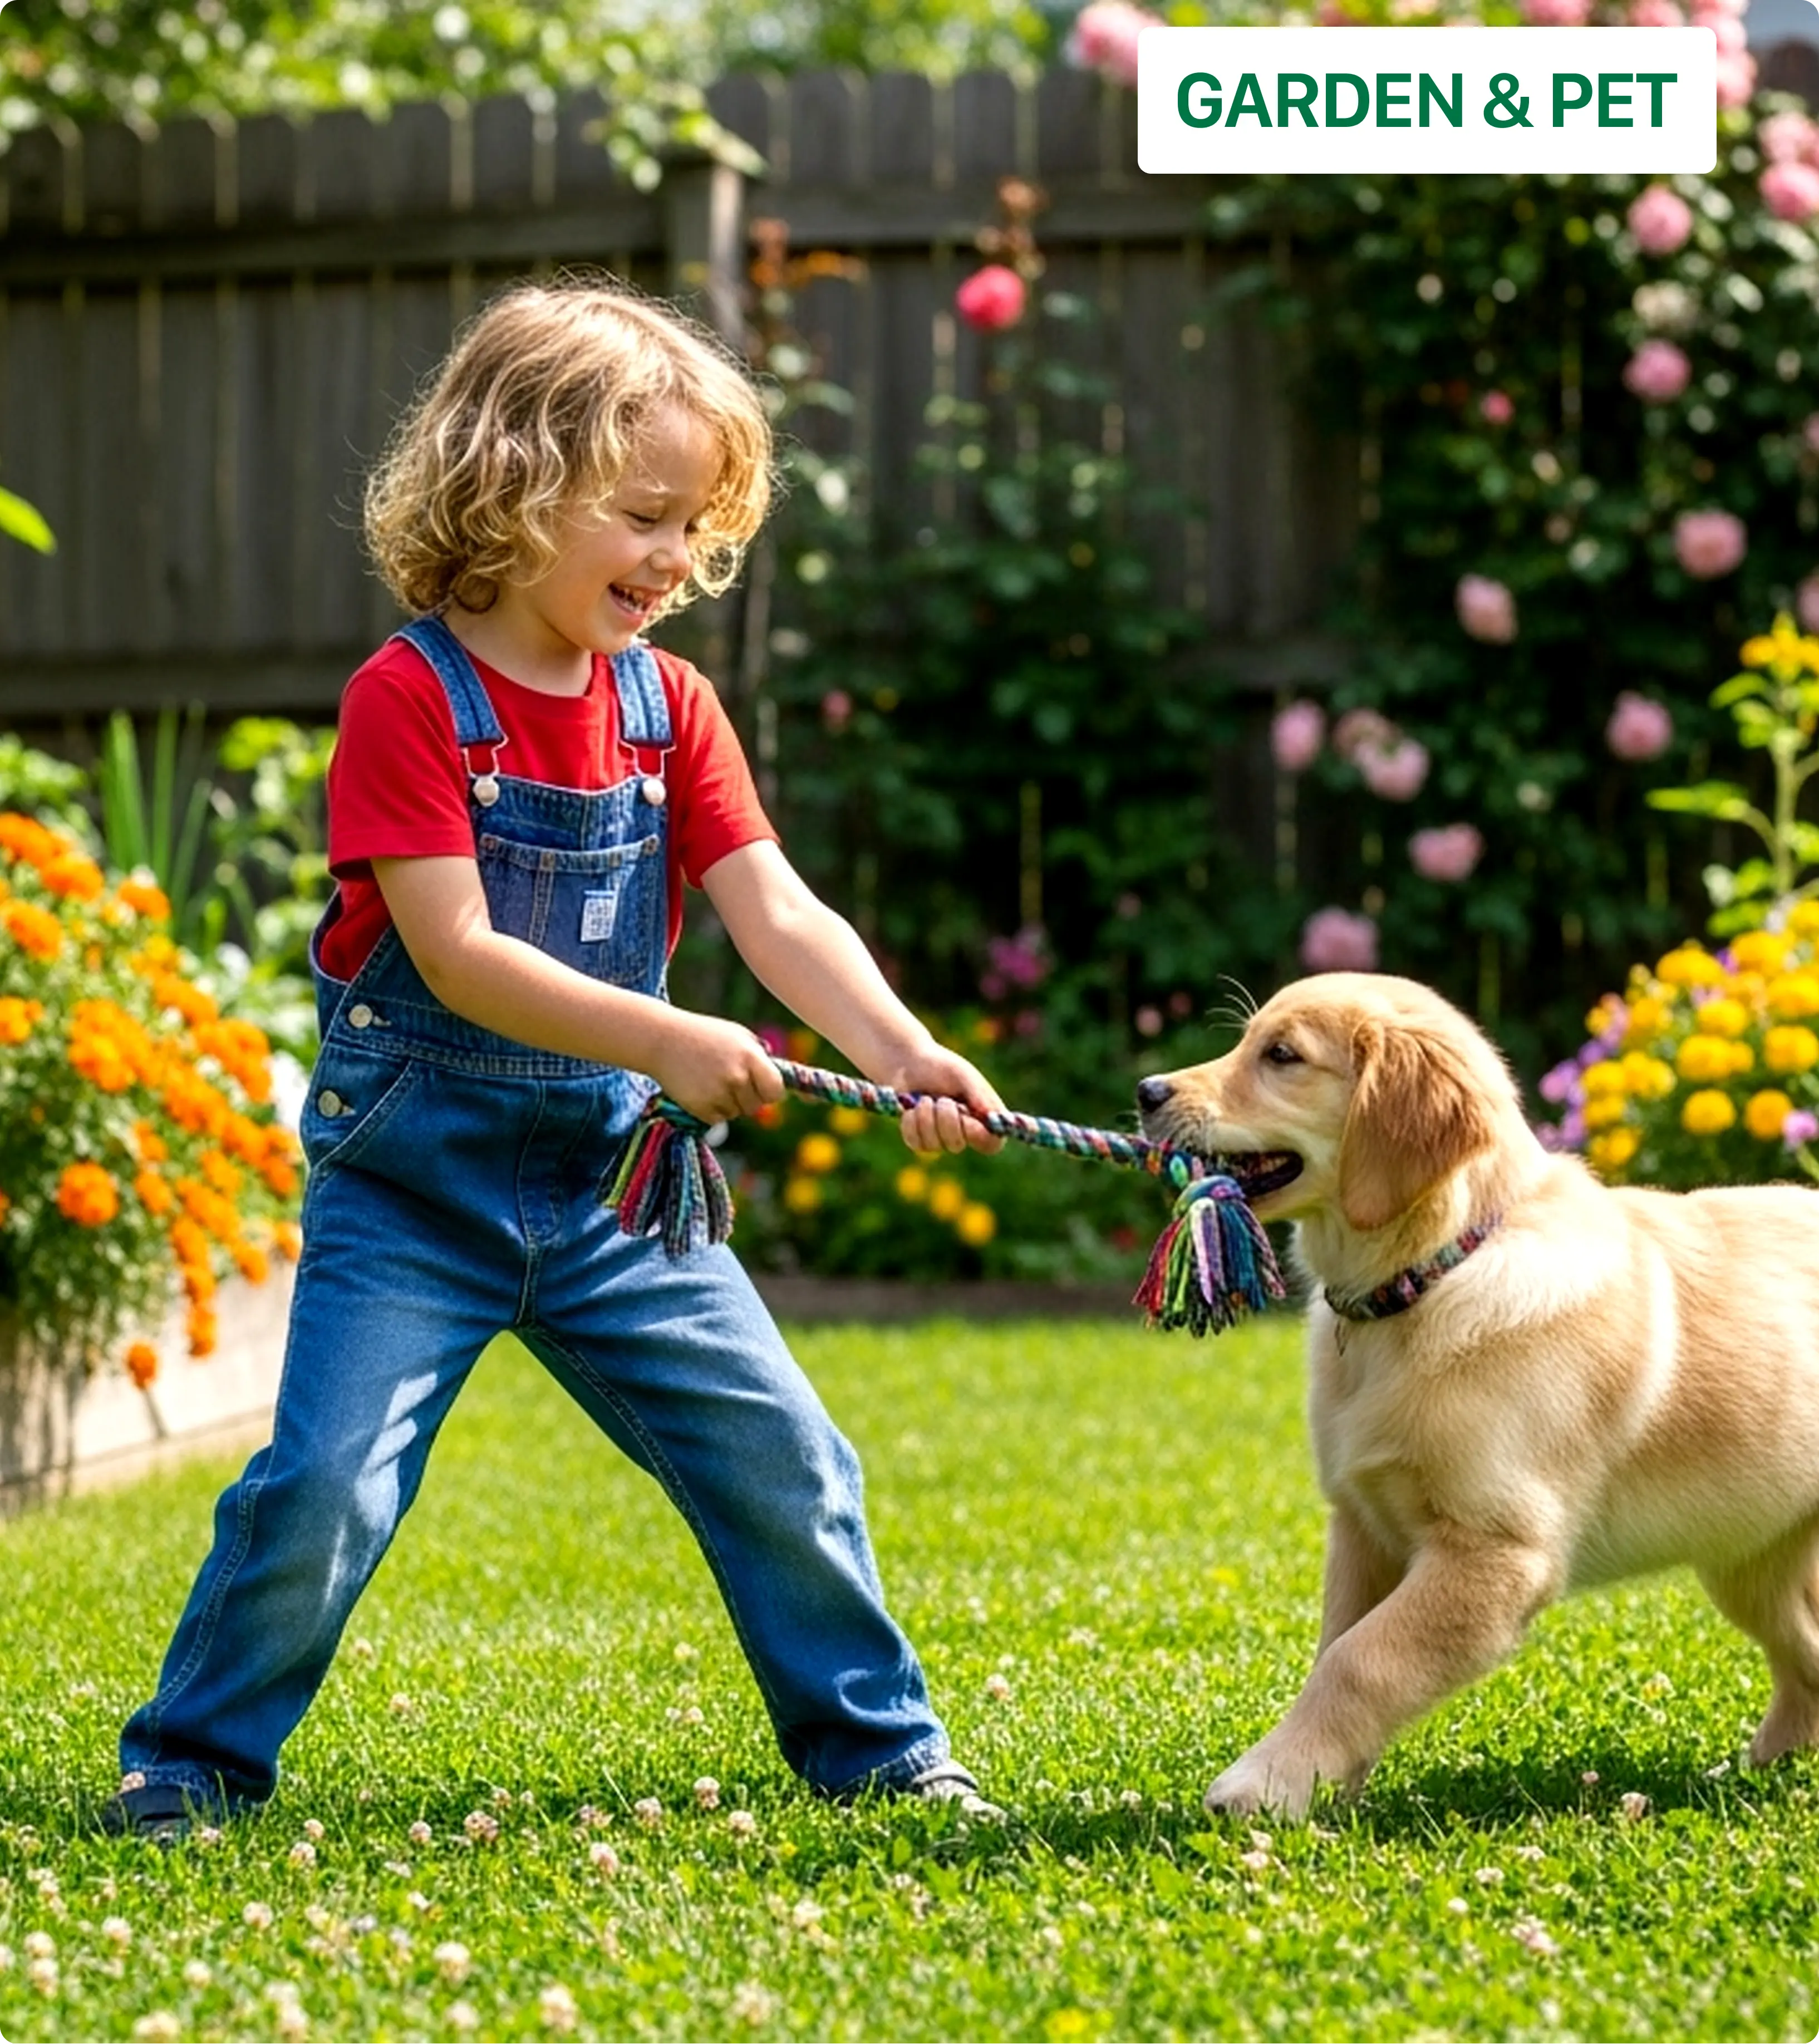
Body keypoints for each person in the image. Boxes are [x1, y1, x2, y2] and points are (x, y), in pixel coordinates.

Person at [102, 277, 1006, 1842]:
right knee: (324, 1491)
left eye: (694, 529)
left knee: (784, 1455)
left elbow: (774, 909)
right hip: (414, 1194)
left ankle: (879, 1749)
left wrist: (905, 1048)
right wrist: (671, 1035)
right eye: (642, 517)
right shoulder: (409, 701)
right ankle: (191, 1761)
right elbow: (458, 954)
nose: (671, 562)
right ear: (514, 483)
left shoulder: (670, 709)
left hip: (609, 1190)